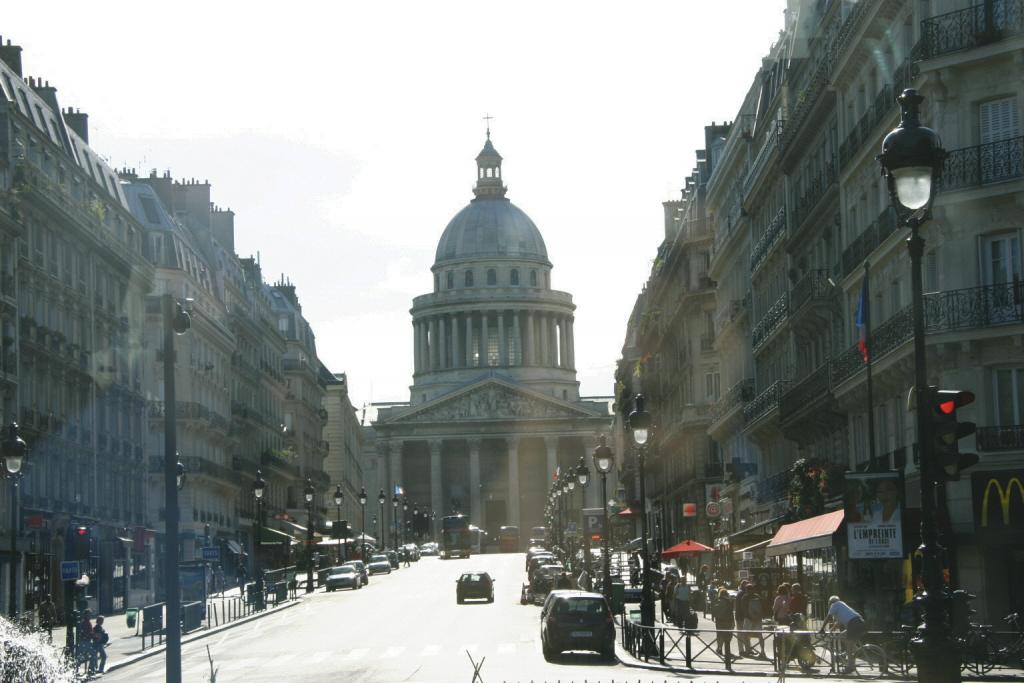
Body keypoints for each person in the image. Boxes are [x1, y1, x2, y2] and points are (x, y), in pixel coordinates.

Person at [819, 595, 866, 673]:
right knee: (842, 636)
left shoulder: (834, 605)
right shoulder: (841, 605)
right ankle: (857, 651)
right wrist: (830, 630)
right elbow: (838, 623)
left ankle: (850, 667)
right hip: (858, 622)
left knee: (848, 645)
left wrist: (822, 629)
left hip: (853, 624)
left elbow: (828, 617)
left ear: (830, 603)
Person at [711, 587, 735, 661]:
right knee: (728, 635)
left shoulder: (716, 600)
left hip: (718, 620)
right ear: (726, 594)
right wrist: (733, 622)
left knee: (719, 634)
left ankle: (719, 648)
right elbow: (731, 612)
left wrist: (714, 617)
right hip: (727, 620)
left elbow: (713, 610)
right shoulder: (728, 601)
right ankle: (727, 650)